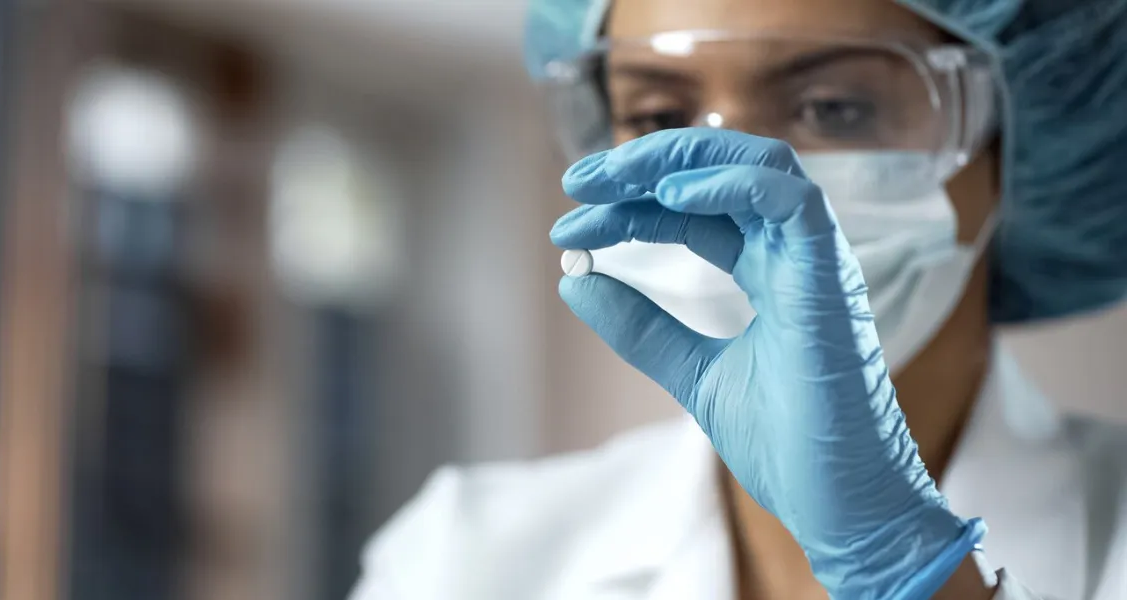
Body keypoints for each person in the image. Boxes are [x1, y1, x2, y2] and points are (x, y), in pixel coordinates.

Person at [350, 0, 1127, 598]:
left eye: (834, 108)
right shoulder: (466, 556)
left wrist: (909, 568)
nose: (733, 178)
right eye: (659, 117)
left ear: (1012, 144)